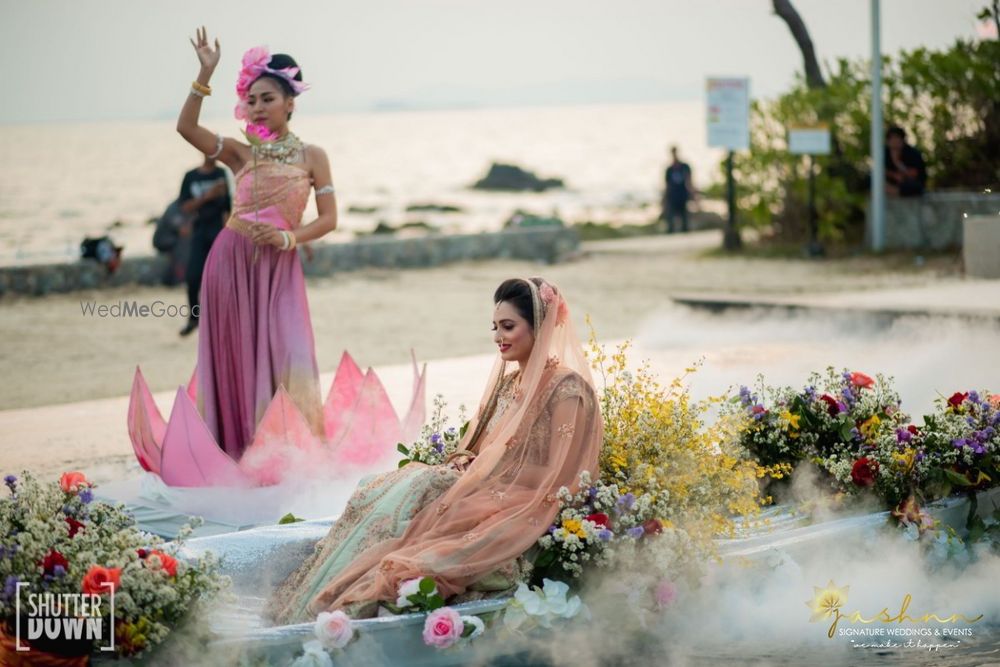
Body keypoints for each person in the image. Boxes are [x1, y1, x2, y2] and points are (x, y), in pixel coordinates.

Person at [270, 278, 603, 624]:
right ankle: (311, 598)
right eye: (494, 327)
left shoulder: (567, 389)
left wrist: (492, 469)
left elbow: (565, 476)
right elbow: (481, 448)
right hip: (487, 485)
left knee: (421, 488)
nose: (497, 338)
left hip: (525, 500)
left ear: (541, 326)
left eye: (508, 326)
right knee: (381, 485)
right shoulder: (511, 382)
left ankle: (334, 608)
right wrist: (468, 462)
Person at [175, 27, 337, 460]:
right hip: (230, 262)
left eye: (268, 98)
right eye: (251, 100)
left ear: (290, 103)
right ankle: (236, 451)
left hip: (280, 268)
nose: (258, 107)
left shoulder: (313, 157)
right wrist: (204, 73)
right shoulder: (239, 153)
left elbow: (329, 220)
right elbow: (186, 127)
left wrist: (289, 237)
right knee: (236, 357)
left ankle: (288, 452)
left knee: (289, 350)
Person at [177, 156, 231, 336]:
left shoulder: (222, 174)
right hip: (199, 231)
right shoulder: (191, 176)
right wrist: (207, 196)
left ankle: (220, 320)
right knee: (192, 277)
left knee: (221, 280)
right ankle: (194, 317)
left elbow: (229, 209)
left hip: (218, 232)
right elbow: (185, 207)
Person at [884, 125, 927, 198]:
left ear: (902, 140)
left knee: (915, 187)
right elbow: (881, 171)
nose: (894, 141)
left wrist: (897, 163)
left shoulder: (912, 153)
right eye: (891, 138)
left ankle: (894, 192)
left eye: (897, 138)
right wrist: (894, 175)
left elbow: (915, 174)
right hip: (891, 183)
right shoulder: (884, 153)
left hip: (908, 183)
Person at [661, 145, 696, 233]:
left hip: (683, 194)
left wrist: (693, 194)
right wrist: (664, 198)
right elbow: (667, 185)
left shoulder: (685, 167)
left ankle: (685, 231)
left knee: (684, 216)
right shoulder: (669, 169)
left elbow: (689, 181)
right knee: (671, 217)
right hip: (672, 195)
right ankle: (671, 232)